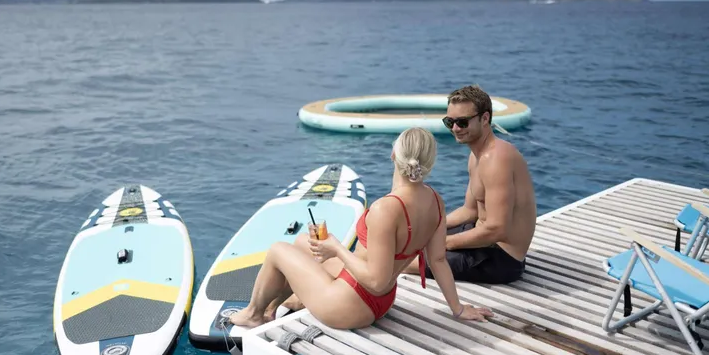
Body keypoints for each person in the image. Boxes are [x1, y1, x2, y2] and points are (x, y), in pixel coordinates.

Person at [228, 127, 493, 331]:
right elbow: (437, 260)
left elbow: (375, 279)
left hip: (350, 307)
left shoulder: (385, 209)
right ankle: (275, 307)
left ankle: (253, 314)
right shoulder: (435, 201)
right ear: (429, 163)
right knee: (300, 246)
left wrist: (336, 249)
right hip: (381, 301)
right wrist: (457, 309)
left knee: (277, 250)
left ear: (393, 155)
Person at [404, 85, 537, 284]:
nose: (455, 129)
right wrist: (430, 227)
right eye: (450, 122)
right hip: (482, 240)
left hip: (501, 259)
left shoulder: (496, 159)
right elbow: (470, 210)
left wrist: (444, 243)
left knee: (401, 261)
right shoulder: (477, 156)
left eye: (463, 122)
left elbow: (497, 229)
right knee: (408, 241)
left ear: (485, 119)